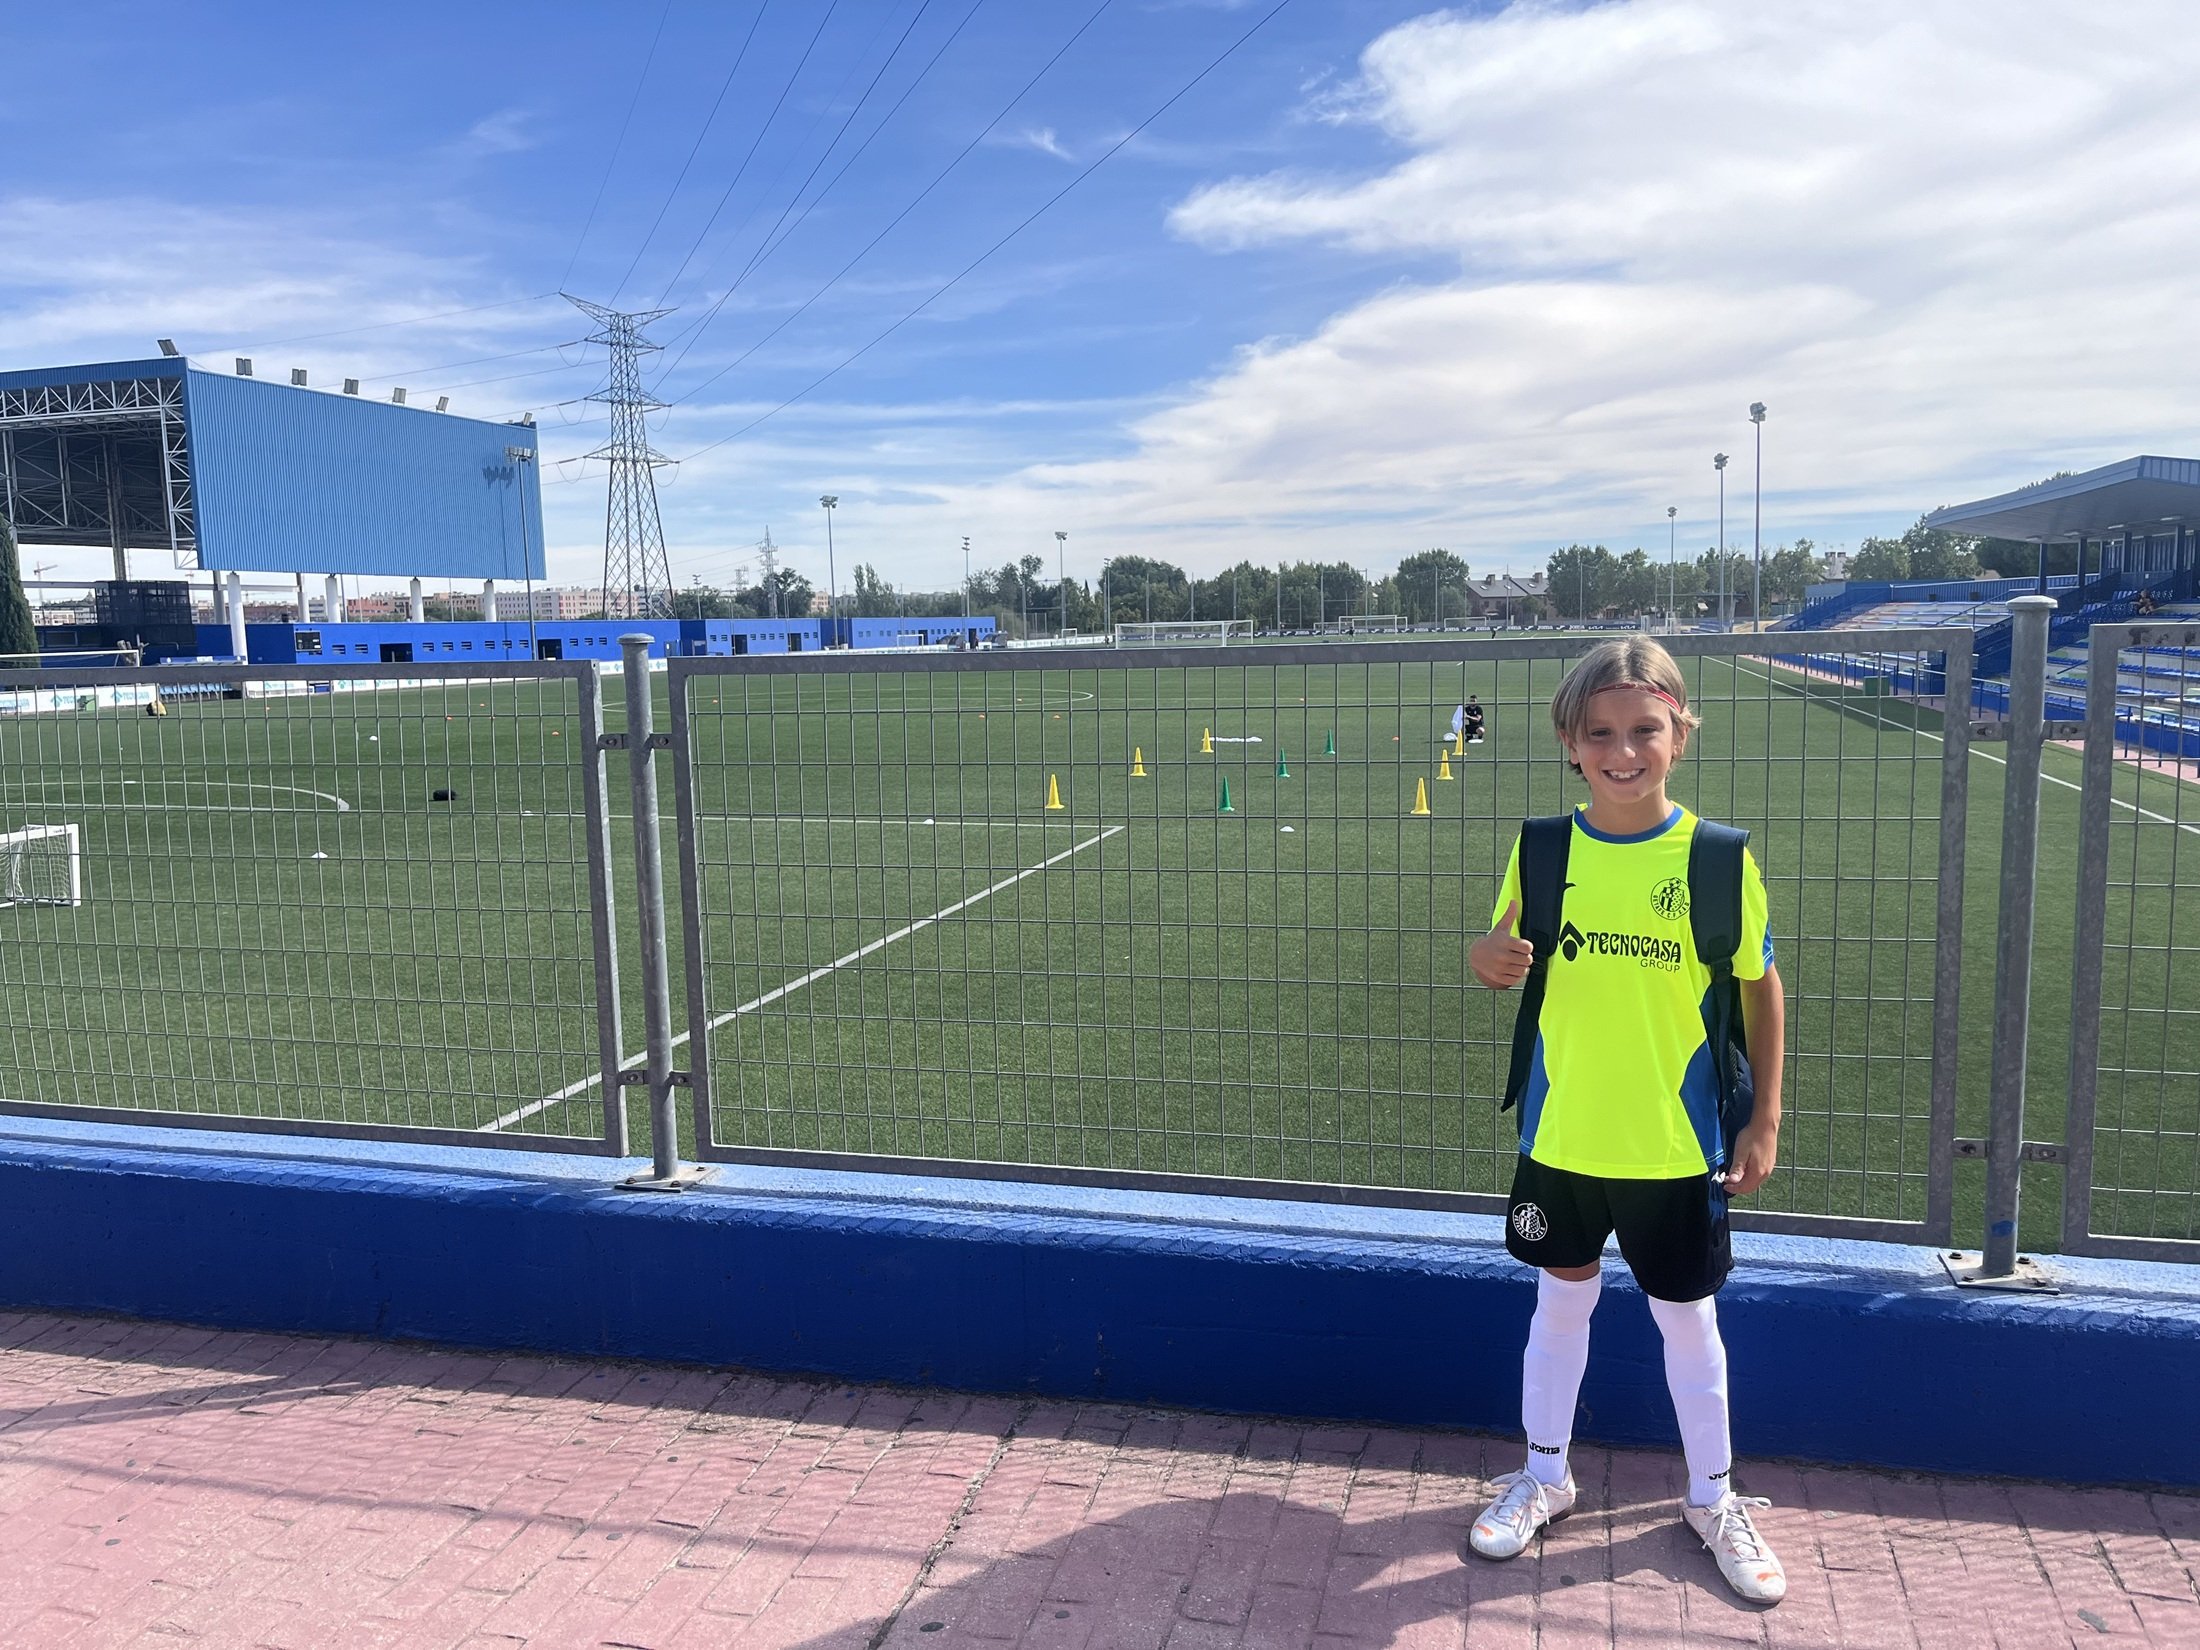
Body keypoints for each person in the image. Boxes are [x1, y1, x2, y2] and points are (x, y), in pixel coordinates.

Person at [1465, 635, 1788, 1605]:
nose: (1621, 749)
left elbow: (1762, 990)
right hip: (1561, 1137)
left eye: (1643, 729)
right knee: (1558, 1305)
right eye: (1598, 731)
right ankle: (1545, 1474)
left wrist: (1762, 1119)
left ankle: (1711, 1497)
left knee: (1687, 1323)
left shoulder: (1717, 859)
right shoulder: (1542, 847)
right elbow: (1503, 944)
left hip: (1672, 1144)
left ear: (1678, 734)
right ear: (1569, 741)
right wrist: (1485, 955)